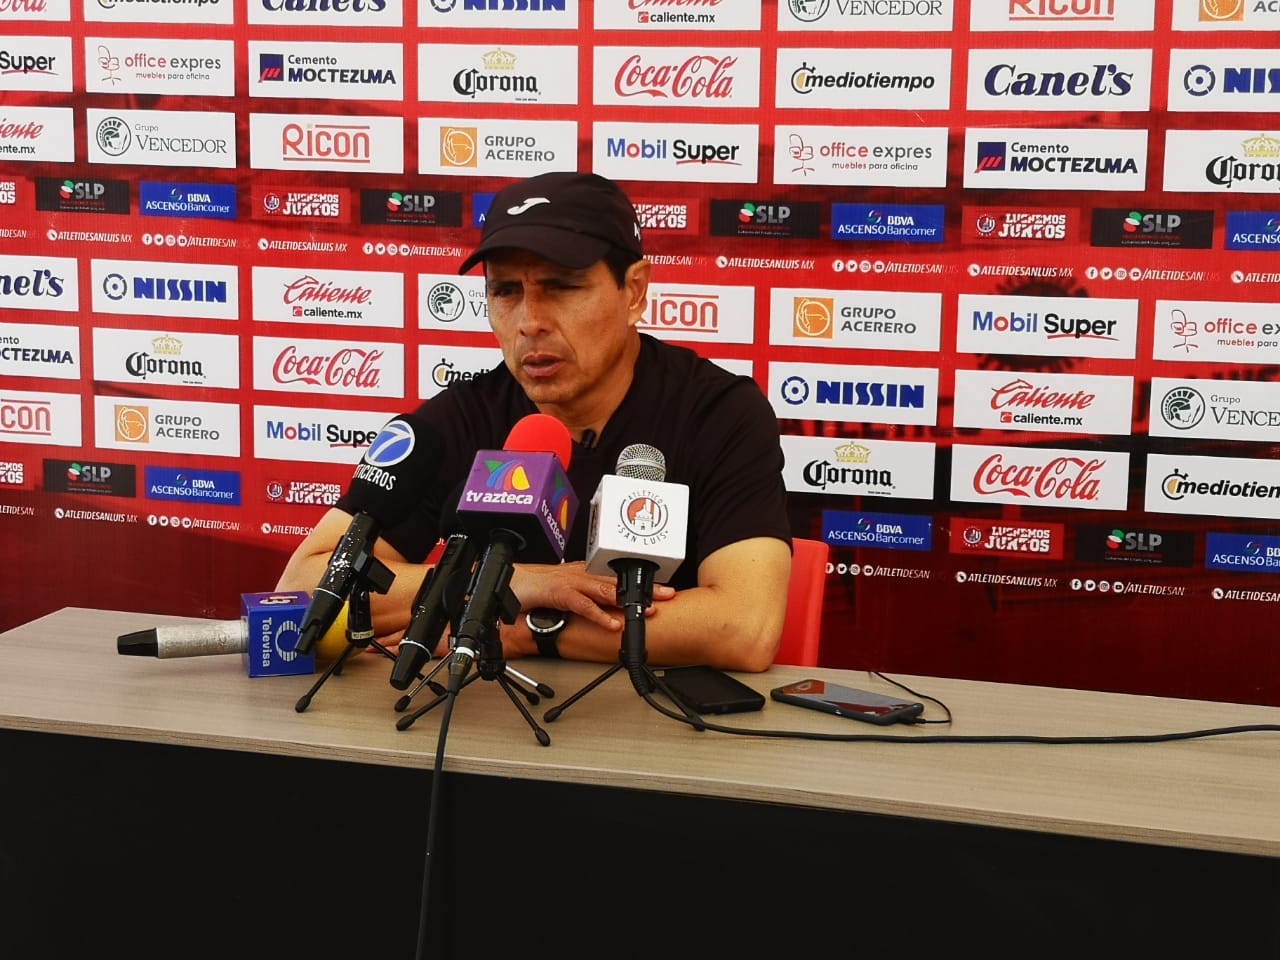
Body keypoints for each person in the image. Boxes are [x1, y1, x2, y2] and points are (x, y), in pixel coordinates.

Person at [276, 171, 792, 672]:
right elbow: (301, 587)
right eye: (505, 291)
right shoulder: (459, 418)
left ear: (634, 291)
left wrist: (521, 629)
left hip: (653, 718)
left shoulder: (719, 411)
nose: (529, 322)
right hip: (481, 714)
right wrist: (519, 582)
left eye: (562, 287)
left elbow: (745, 627)